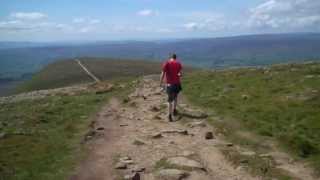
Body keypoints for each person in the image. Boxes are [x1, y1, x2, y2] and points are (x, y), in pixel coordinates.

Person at [160, 53, 183, 122]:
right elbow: (180, 74)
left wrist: (160, 82)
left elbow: (163, 73)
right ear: (176, 58)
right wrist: (178, 75)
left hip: (170, 84)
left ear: (170, 57)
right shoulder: (179, 64)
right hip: (177, 84)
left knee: (169, 100)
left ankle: (169, 115)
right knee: (175, 97)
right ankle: (174, 110)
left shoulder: (167, 63)